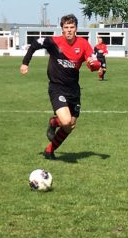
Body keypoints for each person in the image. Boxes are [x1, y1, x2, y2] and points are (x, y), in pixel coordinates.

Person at [21, 14, 101, 160]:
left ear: (76, 28)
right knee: (65, 121)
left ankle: (49, 151)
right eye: (66, 28)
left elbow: (95, 65)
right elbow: (35, 44)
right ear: (62, 29)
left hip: (74, 90)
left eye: (72, 27)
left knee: (70, 126)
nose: (69, 30)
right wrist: (25, 63)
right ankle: (54, 122)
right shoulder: (54, 42)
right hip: (57, 87)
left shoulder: (83, 44)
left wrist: (93, 64)